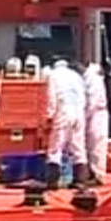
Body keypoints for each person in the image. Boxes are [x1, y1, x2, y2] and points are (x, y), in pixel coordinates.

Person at [44, 57, 89, 189]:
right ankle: (80, 180)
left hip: (64, 110)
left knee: (55, 146)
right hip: (79, 112)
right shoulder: (76, 75)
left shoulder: (54, 75)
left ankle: (52, 182)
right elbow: (83, 95)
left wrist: (49, 115)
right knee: (78, 146)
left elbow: (51, 97)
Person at [82, 62, 109, 185]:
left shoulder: (92, 78)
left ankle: (98, 175)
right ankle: (92, 172)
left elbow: (92, 101)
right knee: (91, 144)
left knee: (96, 145)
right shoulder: (92, 76)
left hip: (97, 114)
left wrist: (84, 116)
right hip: (94, 113)